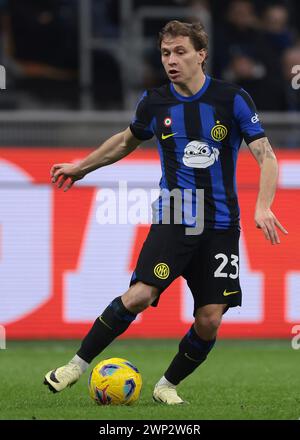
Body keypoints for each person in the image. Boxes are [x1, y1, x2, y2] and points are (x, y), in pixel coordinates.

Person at [44, 20, 288, 405]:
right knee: (141, 294)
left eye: (180, 52)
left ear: (201, 54)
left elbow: (266, 155)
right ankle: (76, 364)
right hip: (176, 216)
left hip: (222, 225)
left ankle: (166, 385)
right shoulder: (155, 102)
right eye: (164, 53)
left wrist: (263, 206)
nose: (171, 60)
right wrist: (82, 166)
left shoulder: (232, 99)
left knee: (210, 318)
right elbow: (126, 141)